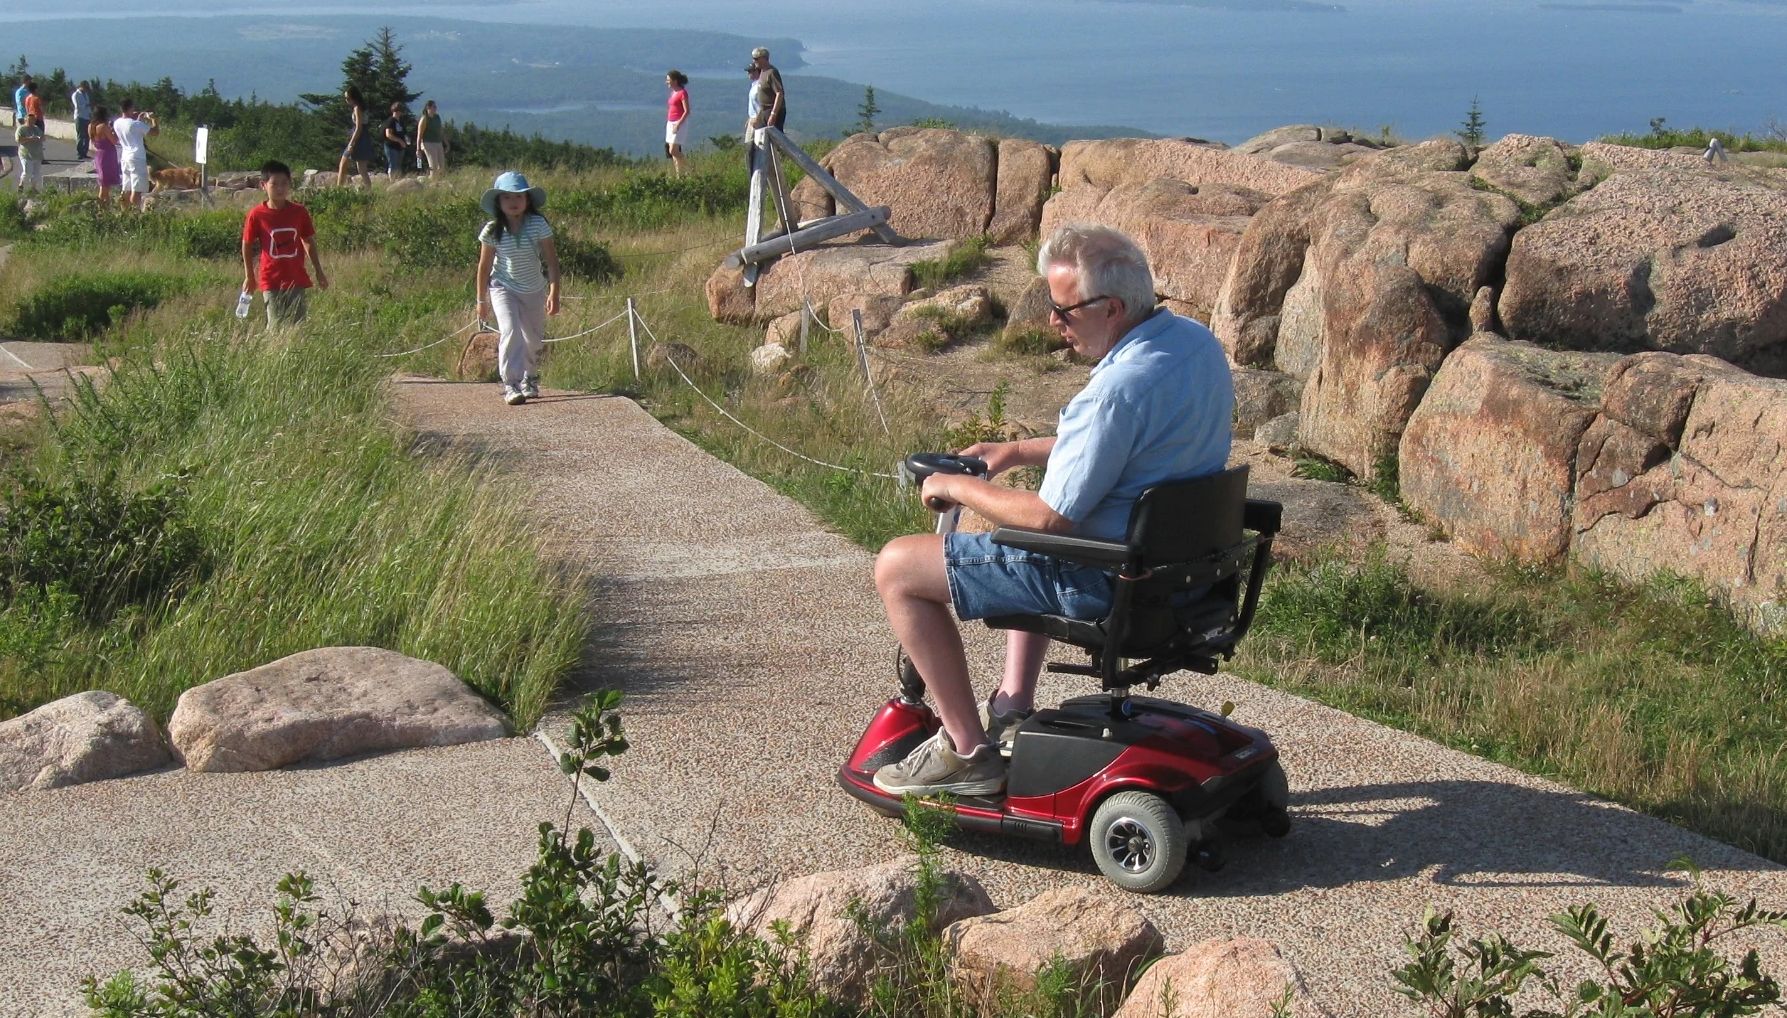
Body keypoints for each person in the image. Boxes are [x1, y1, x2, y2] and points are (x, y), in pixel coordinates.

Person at [869, 224, 1235, 797]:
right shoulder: (1194, 345)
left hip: (1101, 577)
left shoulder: (1114, 390)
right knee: (1012, 514)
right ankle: (1013, 701)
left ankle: (968, 753)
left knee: (897, 566)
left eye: (1062, 310)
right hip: (1178, 573)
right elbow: (1117, 447)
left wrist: (955, 486)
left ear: (1111, 307)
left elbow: (1050, 519)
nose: (1052, 322)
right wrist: (1013, 452)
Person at [474, 171, 561, 406]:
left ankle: (529, 377)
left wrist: (554, 292)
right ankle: (510, 383)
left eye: (518, 197)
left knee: (533, 339)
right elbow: (483, 267)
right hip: (503, 286)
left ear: (527, 200)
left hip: (533, 288)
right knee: (510, 330)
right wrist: (481, 301)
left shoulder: (537, 224)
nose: (513, 202)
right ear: (498, 202)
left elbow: (551, 261)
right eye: (506, 197)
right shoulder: (492, 230)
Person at [241, 159, 328, 329]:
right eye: (274, 184)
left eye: (284, 184)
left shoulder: (299, 212)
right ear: (263, 185)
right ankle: (270, 354)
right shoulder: (257, 214)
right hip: (270, 279)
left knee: (298, 326)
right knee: (276, 325)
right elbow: (247, 244)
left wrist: (319, 271)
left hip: (295, 277)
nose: (280, 189)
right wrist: (249, 276)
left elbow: (308, 240)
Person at [112, 100, 158, 211]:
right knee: (136, 190)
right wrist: (154, 120)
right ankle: (134, 214)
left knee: (126, 188)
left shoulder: (117, 122)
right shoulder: (135, 124)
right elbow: (155, 132)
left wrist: (138, 119)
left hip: (125, 157)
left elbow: (132, 131)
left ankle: (124, 211)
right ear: (130, 108)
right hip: (137, 158)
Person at [335, 86, 374, 188]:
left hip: (359, 138)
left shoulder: (357, 108)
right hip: (362, 137)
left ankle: (339, 187)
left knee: (344, 162)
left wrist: (351, 143)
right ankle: (369, 190)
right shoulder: (361, 107)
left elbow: (359, 127)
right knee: (361, 169)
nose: (347, 101)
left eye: (348, 98)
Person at [89, 105, 120, 208]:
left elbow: (93, 142)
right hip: (107, 155)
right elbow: (114, 141)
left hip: (99, 154)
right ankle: (102, 207)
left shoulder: (90, 126)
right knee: (105, 186)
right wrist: (114, 131)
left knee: (104, 183)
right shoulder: (103, 126)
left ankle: (104, 206)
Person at [749, 47, 786, 132]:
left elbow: (779, 93)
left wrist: (773, 114)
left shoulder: (772, 72)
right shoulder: (762, 71)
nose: (754, 61)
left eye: (756, 59)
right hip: (764, 110)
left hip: (772, 110)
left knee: (775, 136)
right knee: (760, 133)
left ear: (764, 58)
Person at [664, 70, 690, 176]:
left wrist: (678, 124)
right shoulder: (673, 92)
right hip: (671, 123)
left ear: (675, 81)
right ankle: (679, 175)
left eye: (668, 80)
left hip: (679, 123)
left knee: (673, 151)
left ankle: (690, 169)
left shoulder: (682, 93)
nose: (667, 82)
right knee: (673, 153)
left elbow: (687, 111)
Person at [416, 99, 446, 179]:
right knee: (434, 165)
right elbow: (419, 135)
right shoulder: (424, 119)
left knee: (441, 166)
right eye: (434, 107)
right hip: (428, 143)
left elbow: (440, 130)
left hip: (438, 142)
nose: (435, 108)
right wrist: (418, 149)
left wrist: (446, 142)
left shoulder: (437, 117)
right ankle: (432, 181)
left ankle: (438, 181)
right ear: (428, 108)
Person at [14, 115, 44, 192]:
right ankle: (21, 185)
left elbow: (43, 137)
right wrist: (30, 139)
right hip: (26, 154)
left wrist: (40, 138)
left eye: (33, 120)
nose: (32, 122)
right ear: (26, 120)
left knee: (36, 173)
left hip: (37, 154)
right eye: (30, 120)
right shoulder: (21, 129)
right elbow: (18, 140)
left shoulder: (36, 128)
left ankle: (33, 188)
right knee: (27, 172)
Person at [382, 101, 409, 179]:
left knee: (398, 165)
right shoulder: (390, 121)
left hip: (400, 148)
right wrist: (400, 141)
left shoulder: (400, 122)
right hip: (391, 147)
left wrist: (406, 140)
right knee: (393, 165)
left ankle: (397, 179)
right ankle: (392, 180)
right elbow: (388, 134)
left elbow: (404, 133)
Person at [72, 81, 92, 161]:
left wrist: (90, 113)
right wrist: (86, 105)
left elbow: (88, 104)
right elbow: (77, 106)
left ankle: (85, 152)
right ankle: (79, 152)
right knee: (80, 135)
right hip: (79, 116)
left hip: (86, 116)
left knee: (87, 136)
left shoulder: (86, 94)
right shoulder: (76, 94)